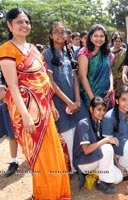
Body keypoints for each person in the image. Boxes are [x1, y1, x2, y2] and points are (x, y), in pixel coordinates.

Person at [0, 8, 71, 199]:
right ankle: (44, 195)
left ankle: (55, 193)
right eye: (19, 22)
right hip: (27, 113)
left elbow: (44, 80)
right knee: (40, 158)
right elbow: (13, 85)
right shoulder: (7, 49)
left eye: (27, 22)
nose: (24, 25)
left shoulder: (33, 49)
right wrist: (26, 116)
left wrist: (53, 105)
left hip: (45, 109)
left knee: (53, 154)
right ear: (9, 25)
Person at [43, 22, 88, 172]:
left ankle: (84, 164)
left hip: (75, 100)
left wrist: (76, 100)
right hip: (61, 103)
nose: (60, 35)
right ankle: (74, 169)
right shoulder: (46, 55)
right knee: (68, 136)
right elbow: (51, 82)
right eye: (56, 32)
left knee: (81, 131)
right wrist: (68, 102)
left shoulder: (70, 53)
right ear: (50, 35)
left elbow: (75, 77)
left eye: (63, 32)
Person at [73, 96, 123, 194]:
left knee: (118, 178)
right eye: (99, 109)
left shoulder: (98, 123)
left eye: (104, 110)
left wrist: (118, 165)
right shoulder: (83, 124)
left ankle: (98, 175)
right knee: (107, 147)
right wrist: (106, 140)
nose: (102, 113)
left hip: (94, 159)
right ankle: (101, 182)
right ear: (91, 109)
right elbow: (86, 150)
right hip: (83, 162)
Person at [78, 24, 114, 109]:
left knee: (107, 120)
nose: (99, 39)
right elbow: (83, 77)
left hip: (107, 95)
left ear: (105, 38)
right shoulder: (85, 52)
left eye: (101, 36)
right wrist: (93, 100)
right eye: (96, 36)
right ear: (90, 37)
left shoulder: (106, 52)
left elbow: (109, 71)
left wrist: (111, 88)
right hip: (90, 95)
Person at [0, 67, 19, 177]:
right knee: (11, 134)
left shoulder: (4, 64)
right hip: (6, 105)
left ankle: (15, 160)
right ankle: (14, 161)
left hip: (14, 103)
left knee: (15, 134)